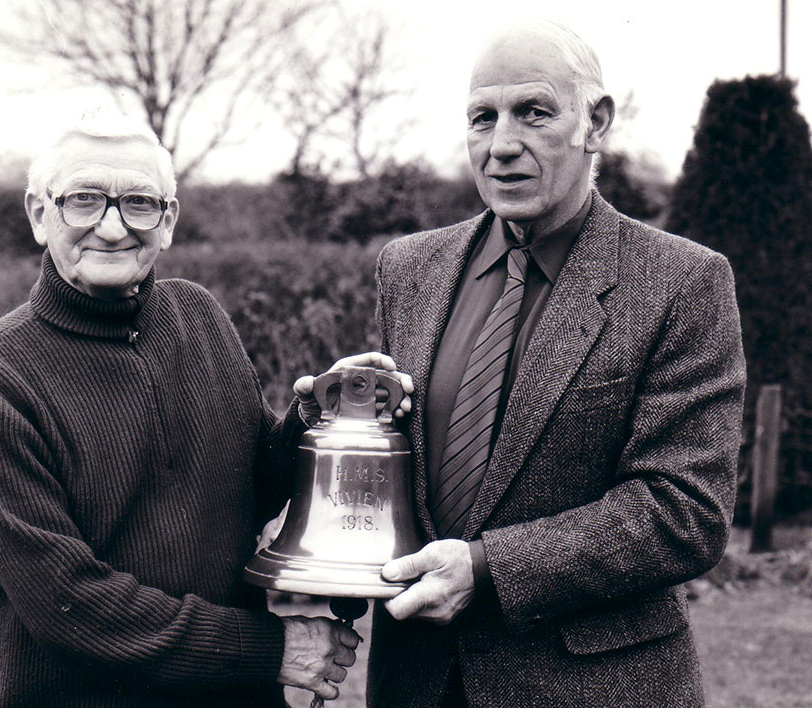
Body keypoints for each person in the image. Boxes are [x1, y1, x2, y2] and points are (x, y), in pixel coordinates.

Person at [311, 19, 745, 707]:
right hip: (417, 683)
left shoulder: (681, 281)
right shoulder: (408, 268)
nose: (502, 145)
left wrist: (485, 569)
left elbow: (683, 509)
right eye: (482, 118)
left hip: (594, 687)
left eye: (533, 113)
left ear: (594, 123)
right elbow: (400, 480)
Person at [0, 112, 360, 707]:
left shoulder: (200, 315)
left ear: (168, 221)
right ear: (39, 214)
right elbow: (67, 602)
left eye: (139, 203)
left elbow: (252, 490)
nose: (112, 229)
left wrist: (324, 416)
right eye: (83, 200)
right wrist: (268, 649)